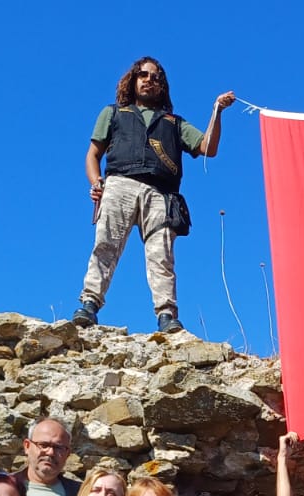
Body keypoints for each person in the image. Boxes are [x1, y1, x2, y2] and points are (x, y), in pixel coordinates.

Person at [71, 56, 236, 334]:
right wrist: (95, 181)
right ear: (133, 80)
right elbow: (93, 154)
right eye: (143, 75)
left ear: (163, 85)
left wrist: (216, 111)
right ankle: (89, 303)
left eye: (156, 77)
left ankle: (167, 315)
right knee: (105, 245)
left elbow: (208, 147)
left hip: (161, 192)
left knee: (162, 256)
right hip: (120, 183)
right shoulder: (113, 113)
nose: (149, 80)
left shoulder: (173, 123)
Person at [14, 418, 84, 496]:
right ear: (27, 446)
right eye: (44, 445)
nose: (50, 452)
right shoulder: (3, 487)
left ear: (68, 453)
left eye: (59, 448)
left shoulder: (80, 494)